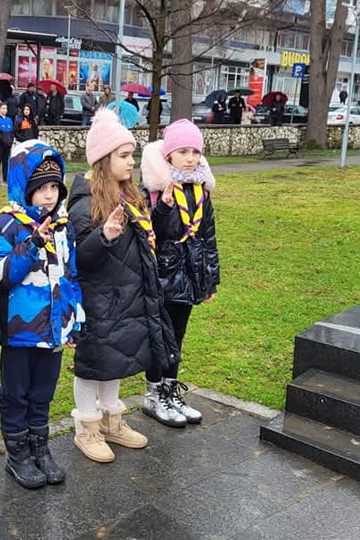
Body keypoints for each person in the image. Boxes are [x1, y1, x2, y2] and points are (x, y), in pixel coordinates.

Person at [65, 109, 178, 463]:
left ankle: (111, 421)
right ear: (103, 160)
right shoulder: (84, 205)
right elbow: (78, 258)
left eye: (132, 155)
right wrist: (104, 236)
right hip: (98, 299)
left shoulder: (129, 196)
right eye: (124, 156)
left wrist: (162, 213)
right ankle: (87, 428)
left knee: (115, 358)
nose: (132, 162)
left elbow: (144, 240)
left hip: (126, 295)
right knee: (92, 363)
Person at [0, 139, 83, 489]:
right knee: (16, 393)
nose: (49, 195)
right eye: (41, 188)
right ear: (25, 188)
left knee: (43, 392)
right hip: (20, 332)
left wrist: (75, 319)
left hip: (53, 330)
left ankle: (40, 447)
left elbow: (71, 275)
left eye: (54, 187)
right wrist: (33, 244)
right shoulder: (8, 224)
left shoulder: (64, 226)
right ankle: (17, 454)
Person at [139, 119, 219, 427]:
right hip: (162, 273)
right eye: (183, 151)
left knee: (178, 335)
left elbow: (208, 237)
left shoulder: (201, 190)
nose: (190, 158)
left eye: (195, 152)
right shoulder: (154, 188)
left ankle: (171, 391)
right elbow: (147, 232)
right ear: (169, 154)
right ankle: (153, 394)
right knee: (160, 335)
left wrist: (210, 279)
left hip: (190, 271)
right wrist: (162, 208)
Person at [0, 102, 14, 186]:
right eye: (3, 108)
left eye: (6, 108)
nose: (5, 110)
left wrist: (10, 141)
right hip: (0, 145)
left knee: (6, 162)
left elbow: (11, 132)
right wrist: (2, 141)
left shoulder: (9, 120)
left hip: (8, 144)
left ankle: (5, 179)